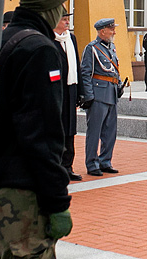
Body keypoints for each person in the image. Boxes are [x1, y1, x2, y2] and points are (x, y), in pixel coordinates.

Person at [0, 0, 72, 257]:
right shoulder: (40, 49)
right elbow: (42, 134)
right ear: (51, 5)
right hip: (20, 195)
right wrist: (57, 201)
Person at [80, 18, 122, 176]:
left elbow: (114, 70)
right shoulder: (92, 48)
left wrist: (118, 86)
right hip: (98, 95)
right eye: (111, 29)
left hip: (111, 93)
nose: (114, 32)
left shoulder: (111, 47)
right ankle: (92, 163)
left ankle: (105, 161)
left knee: (110, 132)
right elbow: (86, 72)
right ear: (102, 31)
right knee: (94, 132)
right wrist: (88, 96)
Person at [54, 12, 83, 181]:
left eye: (68, 19)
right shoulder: (48, 39)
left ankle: (68, 165)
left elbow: (76, 66)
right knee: (57, 128)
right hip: (56, 90)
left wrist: (81, 92)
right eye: (64, 19)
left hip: (71, 89)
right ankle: (57, 166)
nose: (67, 22)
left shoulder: (71, 39)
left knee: (70, 129)